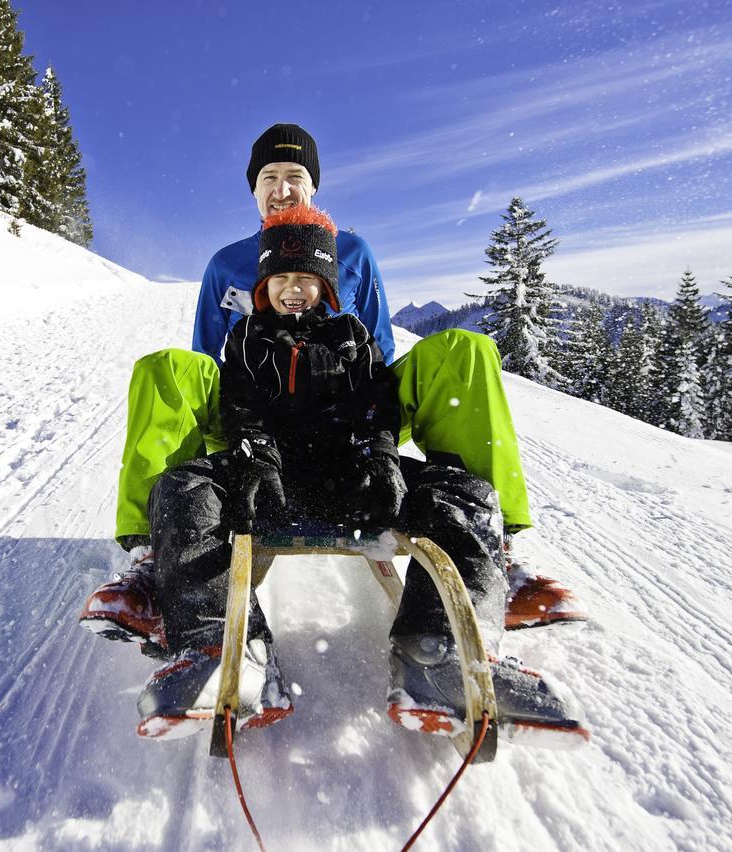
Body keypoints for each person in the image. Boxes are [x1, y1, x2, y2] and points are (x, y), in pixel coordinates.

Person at [79, 123, 581, 653]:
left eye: (294, 176)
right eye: (268, 177)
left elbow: (377, 355)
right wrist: (246, 448)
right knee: (168, 368)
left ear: (312, 186)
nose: (281, 188)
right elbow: (205, 363)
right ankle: (153, 565)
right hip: (255, 418)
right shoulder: (226, 264)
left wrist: (374, 442)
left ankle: (491, 552)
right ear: (253, 189)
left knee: (464, 350)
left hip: (352, 412)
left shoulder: (353, 252)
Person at [133, 207, 585, 741]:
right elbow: (239, 406)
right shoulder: (247, 338)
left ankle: (436, 654)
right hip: (266, 481)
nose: (293, 289)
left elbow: (375, 404)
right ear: (263, 286)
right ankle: (220, 648)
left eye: (306, 279)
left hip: (347, 478)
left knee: (462, 492)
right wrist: (256, 457)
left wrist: (380, 458)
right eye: (281, 278)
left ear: (326, 284)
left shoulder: (351, 334)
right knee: (184, 488)